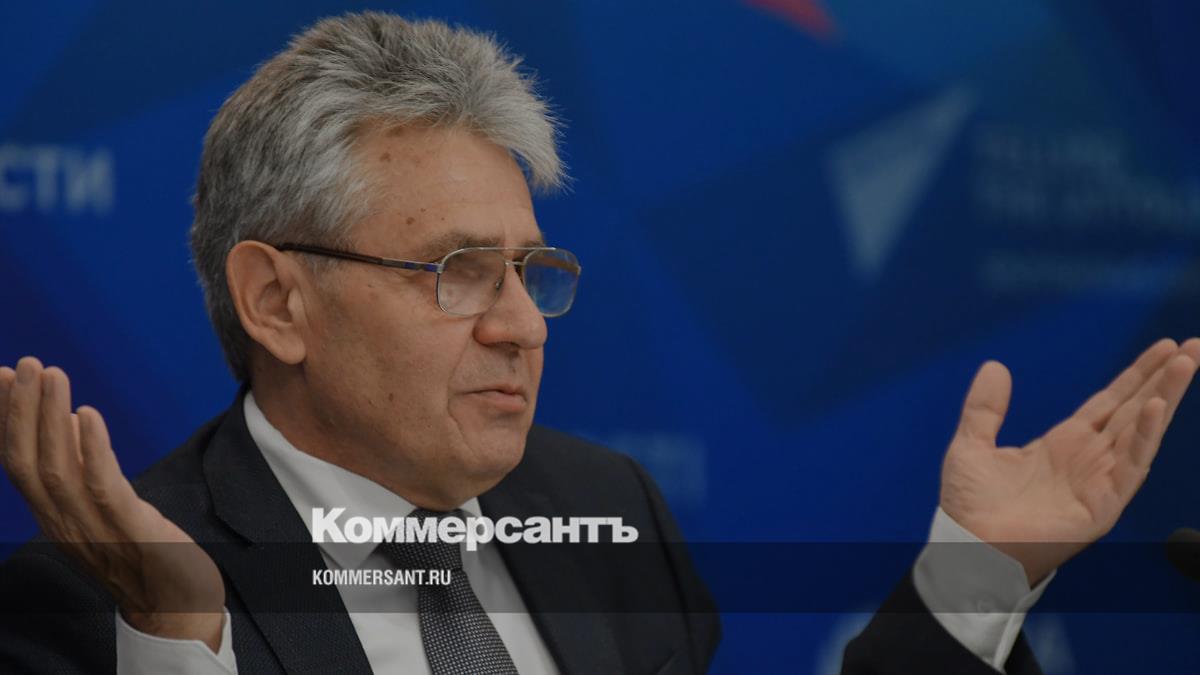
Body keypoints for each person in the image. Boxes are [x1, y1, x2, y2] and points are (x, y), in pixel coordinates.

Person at [0, 11, 1196, 675]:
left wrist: (980, 568)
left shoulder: (605, 511)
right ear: (276, 302)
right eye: (457, 273)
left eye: (530, 272)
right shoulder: (105, 601)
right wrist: (179, 645)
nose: (522, 325)